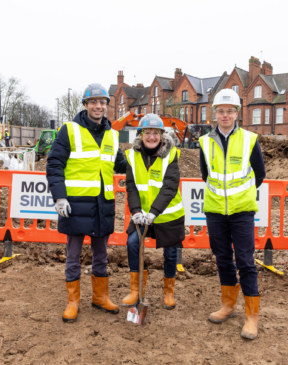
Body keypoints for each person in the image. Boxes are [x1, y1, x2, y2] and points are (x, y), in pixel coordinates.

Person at [46, 83, 127, 323]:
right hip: (76, 205)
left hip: (102, 205)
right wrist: (59, 197)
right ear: (85, 105)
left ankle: (100, 297)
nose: (98, 106)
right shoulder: (68, 131)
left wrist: (146, 153)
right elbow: (54, 164)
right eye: (93, 102)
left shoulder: (113, 134)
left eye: (102, 102)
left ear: (106, 106)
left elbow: (120, 164)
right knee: (73, 255)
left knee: (101, 255)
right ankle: (73, 301)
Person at [199, 88, 265, 340]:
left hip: (242, 212)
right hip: (215, 211)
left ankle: (251, 316)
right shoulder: (204, 142)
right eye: (220, 111)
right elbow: (207, 176)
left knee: (246, 262)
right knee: (223, 258)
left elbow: (259, 175)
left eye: (229, 111)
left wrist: (239, 197)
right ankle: (228, 306)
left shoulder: (250, 139)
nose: (225, 115)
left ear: (237, 113)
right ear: (214, 113)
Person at [121, 114, 185, 310]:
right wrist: (136, 211)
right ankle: (135, 291)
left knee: (171, 252)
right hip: (142, 215)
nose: (151, 137)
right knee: (132, 242)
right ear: (140, 135)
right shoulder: (132, 156)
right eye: (147, 132)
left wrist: (154, 212)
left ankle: (168, 292)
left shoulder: (171, 155)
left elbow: (169, 187)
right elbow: (131, 187)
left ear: (161, 135)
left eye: (155, 133)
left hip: (168, 215)